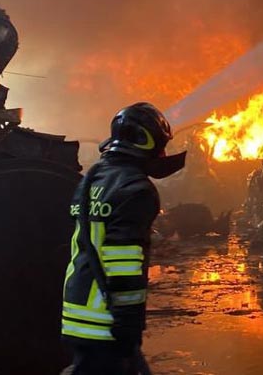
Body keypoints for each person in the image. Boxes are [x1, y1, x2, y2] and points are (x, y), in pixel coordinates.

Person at [61, 103, 186, 374]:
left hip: (76, 311)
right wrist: (128, 322)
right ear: (146, 141)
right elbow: (123, 260)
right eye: (161, 146)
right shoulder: (136, 189)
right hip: (105, 319)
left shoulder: (92, 179)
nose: (163, 154)